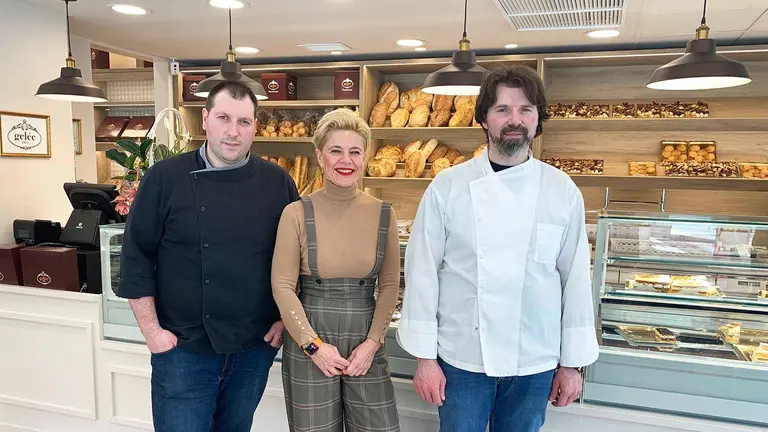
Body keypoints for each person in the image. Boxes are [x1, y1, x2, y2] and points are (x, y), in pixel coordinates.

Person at [396, 65, 599, 432]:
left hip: (535, 360)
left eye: (525, 109)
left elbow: (575, 282)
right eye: (502, 109)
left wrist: (572, 364)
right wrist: (425, 358)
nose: (514, 120)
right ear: (485, 120)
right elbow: (422, 272)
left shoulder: (562, 190)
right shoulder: (448, 186)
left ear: (538, 120)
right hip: (462, 359)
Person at [118, 81, 298, 432]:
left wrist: (282, 319)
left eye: (244, 122)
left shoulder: (278, 182)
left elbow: (293, 259)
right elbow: (136, 256)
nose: (233, 132)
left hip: (253, 346)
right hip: (184, 348)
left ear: (256, 126)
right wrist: (152, 332)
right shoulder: (164, 178)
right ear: (205, 119)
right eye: (223, 118)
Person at [272, 108, 401, 432]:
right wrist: (312, 345)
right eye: (336, 151)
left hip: (365, 341)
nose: (347, 160)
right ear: (320, 155)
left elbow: (388, 286)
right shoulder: (295, 213)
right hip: (309, 340)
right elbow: (283, 285)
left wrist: (372, 343)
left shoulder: (383, 214)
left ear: (365, 156)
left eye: (355, 151)